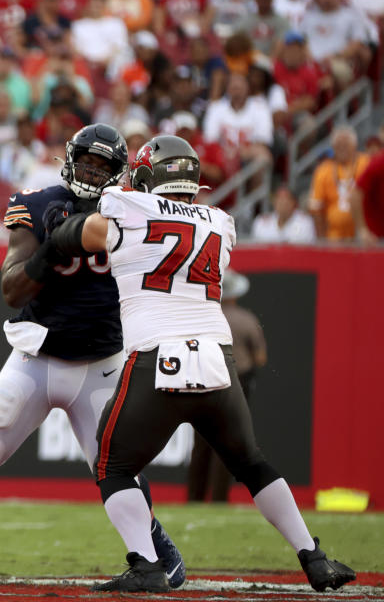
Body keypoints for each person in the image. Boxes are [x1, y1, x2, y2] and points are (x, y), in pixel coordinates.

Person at [47, 135, 356, 593]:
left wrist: (58, 229)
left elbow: (84, 232)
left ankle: (146, 563)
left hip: (156, 356)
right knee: (251, 463)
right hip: (216, 359)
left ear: (150, 176)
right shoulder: (221, 222)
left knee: (112, 465)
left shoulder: (124, 206)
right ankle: (313, 556)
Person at [0, 124, 186, 588]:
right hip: (39, 356)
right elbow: (11, 289)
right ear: (70, 159)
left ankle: (154, 548)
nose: (93, 171)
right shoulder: (40, 203)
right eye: (87, 160)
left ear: (121, 173)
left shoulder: (132, 211)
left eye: (104, 166)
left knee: (117, 467)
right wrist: (54, 246)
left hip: (101, 362)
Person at [187, 271, 266, 502]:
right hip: (234, 382)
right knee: (227, 442)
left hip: (204, 380)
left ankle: (195, 497)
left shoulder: (204, 317)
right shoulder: (247, 320)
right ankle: (219, 497)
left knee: (201, 442)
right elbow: (260, 358)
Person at [309, 126, 369, 241]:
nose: (342, 148)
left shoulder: (366, 163)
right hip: (334, 237)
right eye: (338, 145)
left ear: (354, 146)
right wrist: (322, 241)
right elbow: (316, 208)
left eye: (346, 144)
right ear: (333, 147)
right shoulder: (323, 170)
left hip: (364, 234)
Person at [251, 185, 316, 243]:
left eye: (286, 199)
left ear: (294, 202)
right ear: (274, 202)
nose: (282, 203)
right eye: (279, 199)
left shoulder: (305, 222)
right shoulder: (261, 222)